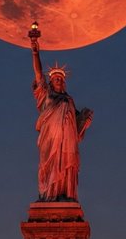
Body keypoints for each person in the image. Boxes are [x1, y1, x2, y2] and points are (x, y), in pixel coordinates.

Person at [30, 35, 92, 201]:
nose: (58, 80)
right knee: (48, 166)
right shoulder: (46, 95)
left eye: (61, 79)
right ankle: (48, 195)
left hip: (67, 142)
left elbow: (77, 127)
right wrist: (35, 51)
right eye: (55, 78)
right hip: (50, 140)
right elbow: (38, 74)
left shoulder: (69, 100)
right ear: (50, 82)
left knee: (67, 164)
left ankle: (65, 194)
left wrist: (85, 121)